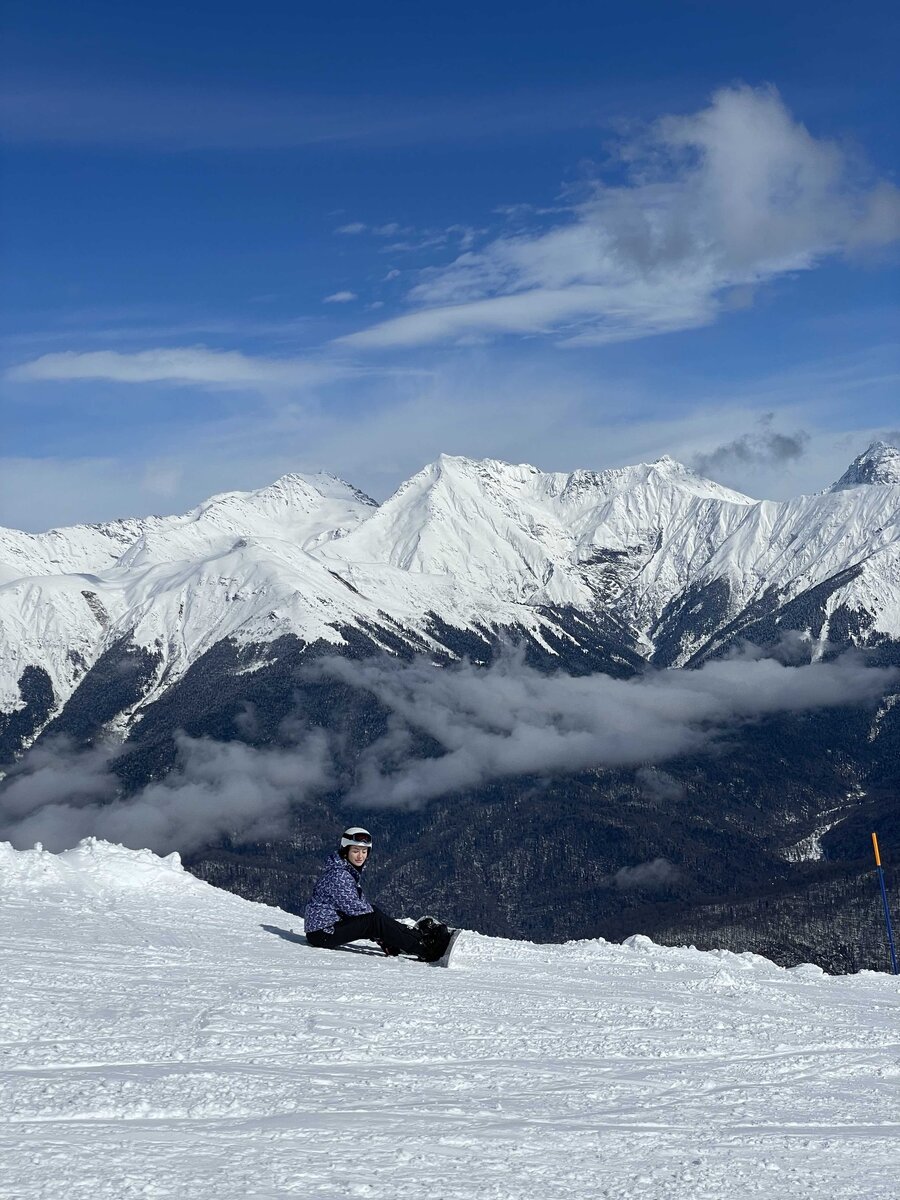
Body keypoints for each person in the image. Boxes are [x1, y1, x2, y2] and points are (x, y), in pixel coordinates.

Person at [304, 827, 451, 962]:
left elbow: (360, 911)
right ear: (345, 851)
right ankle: (426, 948)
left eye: (364, 851)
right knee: (373, 919)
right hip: (322, 933)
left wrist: (385, 936)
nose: (360, 856)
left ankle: (413, 938)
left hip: (324, 929)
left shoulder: (345, 870)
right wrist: (383, 933)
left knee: (373, 915)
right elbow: (357, 911)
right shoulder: (339, 875)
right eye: (355, 851)